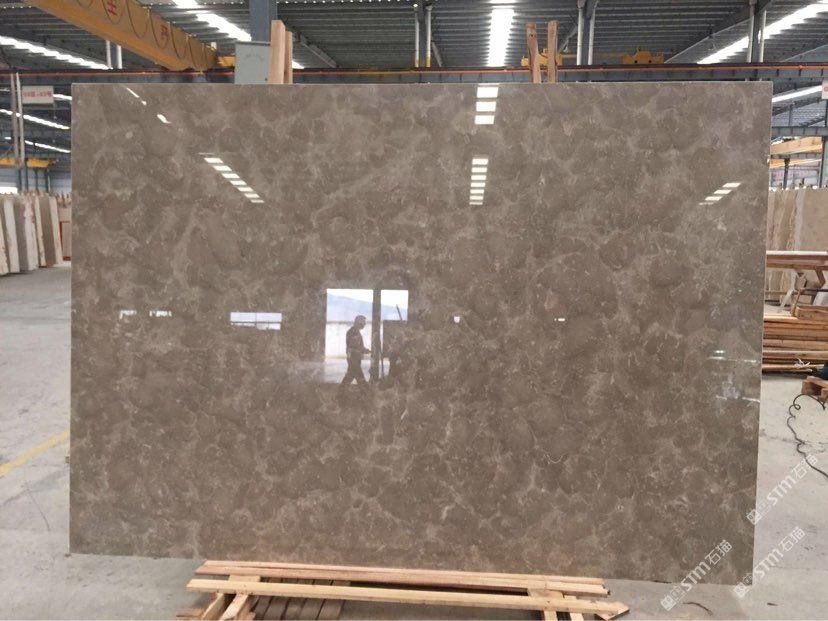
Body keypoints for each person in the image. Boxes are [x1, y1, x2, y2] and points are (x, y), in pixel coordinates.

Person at [340, 315, 370, 389]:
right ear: (358, 323)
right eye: (363, 323)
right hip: (353, 358)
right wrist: (364, 350)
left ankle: (340, 393)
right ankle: (367, 393)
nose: (364, 325)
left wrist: (365, 350)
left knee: (349, 377)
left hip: (354, 358)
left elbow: (357, 346)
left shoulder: (355, 332)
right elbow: (355, 346)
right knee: (360, 378)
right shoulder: (353, 332)